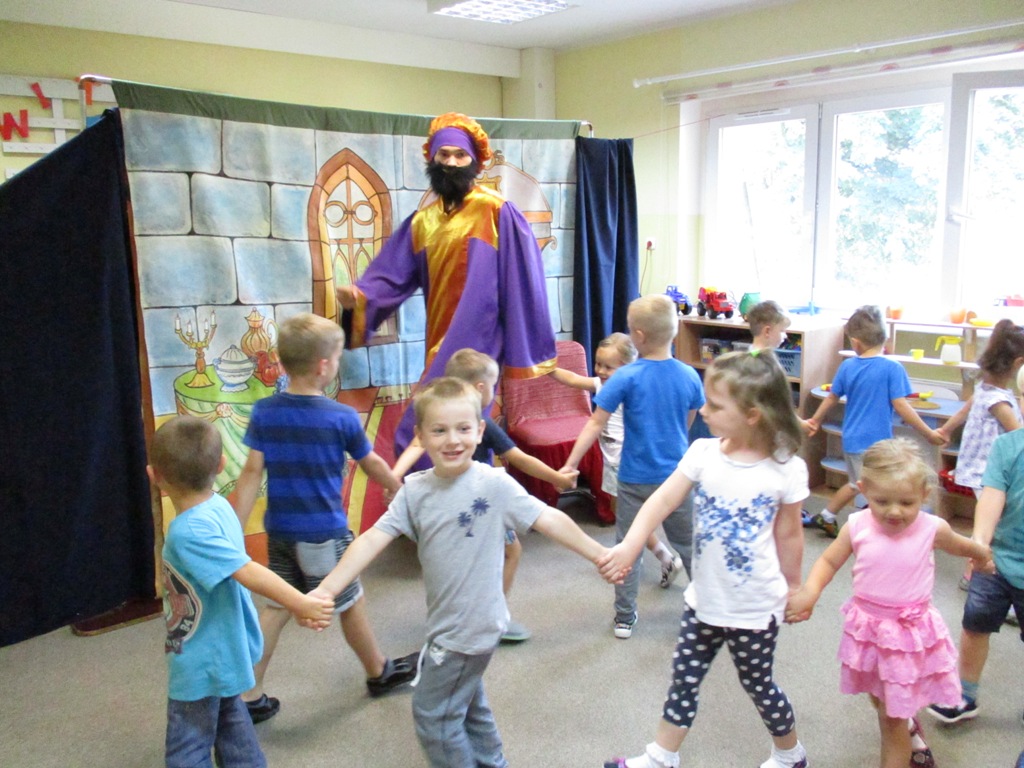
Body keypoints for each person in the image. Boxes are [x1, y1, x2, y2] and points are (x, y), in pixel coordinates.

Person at [310, 377, 623, 768]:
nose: (453, 440)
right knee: (468, 700)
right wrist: (328, 587)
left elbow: (548, 518)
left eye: (463, 429)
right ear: (420, 436)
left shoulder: (494, 484)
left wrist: (599, 554)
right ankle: (493, 761)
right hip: (447, 622)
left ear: (479, 431)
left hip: (469, 627)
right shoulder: (414, 491)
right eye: (439, 430)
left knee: (434, 716)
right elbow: (372, 539)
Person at [598, 350, 809, 768]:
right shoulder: (702, 452)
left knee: (758, 685)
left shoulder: (786, 468)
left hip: (753, 607)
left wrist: (796, 586)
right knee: (683, 680)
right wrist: (630, 545)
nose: (704, 411)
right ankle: (661, 757)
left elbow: (789, 534)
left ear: (752, 415)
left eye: (715, 405)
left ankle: (790, 754)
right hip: (703, 602)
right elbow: (662, 500)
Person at [335, 112, 556, 465]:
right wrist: (361, 298)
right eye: (444, 155)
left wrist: (519, 341)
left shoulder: (496, 212)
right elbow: (391, 274)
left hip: (480, 338)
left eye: (460, 155)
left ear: (474, 161)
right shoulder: (423, 221)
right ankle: (468, 493)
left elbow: (524, 280)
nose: (451, 163)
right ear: (432, 159)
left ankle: (452, 492)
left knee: (428, 427)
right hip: (438, 337)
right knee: (461, 427)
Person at [233, 313, 418, 723]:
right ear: (323, 366)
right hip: (323, 534)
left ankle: (248, 694)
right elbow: (371, 462)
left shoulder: (265, 412)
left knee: (277, 607)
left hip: (280, 531)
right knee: (349, 602)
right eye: (336, 357)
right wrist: (396, 487)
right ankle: (379, 671)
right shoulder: (341, 417)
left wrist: (233, 528)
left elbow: (250, 473)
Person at [787, 439, 991, 768]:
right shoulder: (857, 526)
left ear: (924, 494)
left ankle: (901, 739)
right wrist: (811, 591)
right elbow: (828, 560)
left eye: (906, 502)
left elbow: (961, 546)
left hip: (909, 636)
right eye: (882, 501)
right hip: (868, 631)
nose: (894, 511)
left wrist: (982, 555)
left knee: (890, 719)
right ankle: (908, 724)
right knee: (878, 692)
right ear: (864, 490)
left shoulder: (932, 528)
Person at [152, 415, 334, 768]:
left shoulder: (188, 531)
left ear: (154, 476)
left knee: (188, 745)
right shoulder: (220, 507)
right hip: (225, 648)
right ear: (221, 466)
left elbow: (246, 570)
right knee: (231, 726)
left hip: (203, 660)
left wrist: (301, 603)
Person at [391, 347, 579, 644]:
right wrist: (557, 478)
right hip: (482, 503)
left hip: (455, 501)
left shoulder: (442, 417)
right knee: (512, 552)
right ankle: (492, 616)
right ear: (480, 388)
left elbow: (416, 445)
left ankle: (462, 612)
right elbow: (519, 459)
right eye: (493, 385)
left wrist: (394, 476)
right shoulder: (482, 423)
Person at [560, 294, 704, 639]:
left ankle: (624, 617)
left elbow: (595, 423)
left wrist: (570, 463)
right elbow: (690, 418)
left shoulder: (625, 377)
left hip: (635, 479)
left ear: (638, 336)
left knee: (628, 548)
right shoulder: (689, 375)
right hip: (678, 479)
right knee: (689, 545)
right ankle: (709, 609)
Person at [550, 332, 685, 587]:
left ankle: (657, 555)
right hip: (613, 461)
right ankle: (652, 552)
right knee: (625, 512)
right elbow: (573, 379)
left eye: (608, 366)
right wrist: (547, 369)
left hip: (626, 463)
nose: (601, 370)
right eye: (598, 364)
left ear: (628, 366)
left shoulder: (632, 387)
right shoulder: (603, 383)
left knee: (629, 515)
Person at [805, 305, 945, 537]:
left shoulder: (848, 366)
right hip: (875, 443)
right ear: (885, 338)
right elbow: (902, 406)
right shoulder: (892, 368)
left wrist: (815, 420)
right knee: (876, 488)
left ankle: (827, 516)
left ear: (855, 342)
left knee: (857, 483)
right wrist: (928, 433)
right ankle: (873, 529)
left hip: (852, 439)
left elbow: (831, 397)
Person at [926, 421, 1024, 726]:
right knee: (976, 623)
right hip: (997, 559)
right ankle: (965, 695)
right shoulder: (1008, 446)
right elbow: (993, 496)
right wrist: (980, 544)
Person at [935, 320, 1024, 593]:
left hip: (978, 468)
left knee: (988, 525)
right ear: (1018, 363)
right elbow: (1019, 436)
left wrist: (945, 430)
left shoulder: (986, 388)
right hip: (988, 473)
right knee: (991, 527)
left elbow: (963, 411)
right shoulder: (1000, 402)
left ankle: (975, 572)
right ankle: (972, 574)